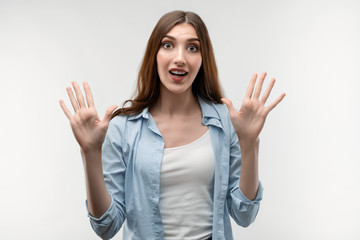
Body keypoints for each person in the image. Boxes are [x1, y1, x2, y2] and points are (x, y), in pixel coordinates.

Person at [59, 10, 285, 240]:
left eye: (192, 47)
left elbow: (244, 215)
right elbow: (106, 228)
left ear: (202, 59)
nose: (180, 57)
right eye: (168, 45)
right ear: (154, 55)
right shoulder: (122, 128)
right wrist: (89, 153)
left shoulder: (225, 121)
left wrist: (249, 144)